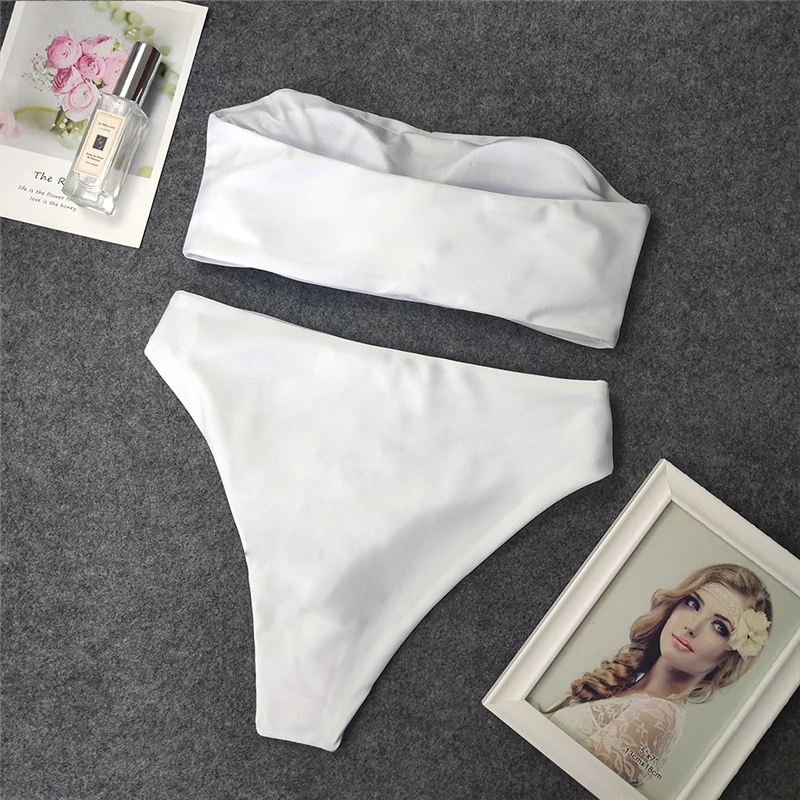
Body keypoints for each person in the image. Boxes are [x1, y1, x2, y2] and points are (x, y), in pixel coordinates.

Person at [544, 563, 772, 787]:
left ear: (730, 656)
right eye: (693, 603)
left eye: (719, 627)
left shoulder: (657, 717)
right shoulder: (635, 687)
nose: (692, 626)